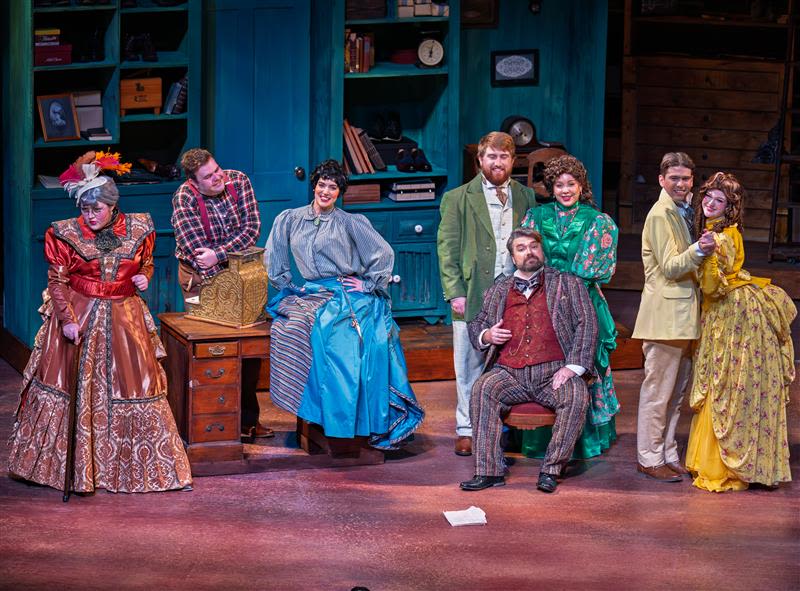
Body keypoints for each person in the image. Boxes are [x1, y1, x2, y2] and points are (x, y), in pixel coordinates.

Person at [8, 151, 192, 494]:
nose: (90, 216)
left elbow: (146, 262)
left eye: (97, 209)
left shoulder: (140, 228)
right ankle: (70, 470)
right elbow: (57, 281)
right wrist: (66, 320)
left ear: (112, 206)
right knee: (74, 385)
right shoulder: (64, 234)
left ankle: (132, 470)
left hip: (125, 316)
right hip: (81, 313)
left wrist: (145, 276)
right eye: (84, 209)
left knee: (136, 383)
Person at [264, 159, 424, 449]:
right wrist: (288, 286)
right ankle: (319, 412)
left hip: (346, 292)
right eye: (322, 185)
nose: (326, 191)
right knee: (292, 328)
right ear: (314, 185)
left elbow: (383, 253)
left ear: (339, 192)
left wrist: (368, 284)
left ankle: (353, 420)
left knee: (342, 338)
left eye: (333, 187)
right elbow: (274, 255)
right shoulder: (290, 218)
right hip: (313, 291)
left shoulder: (349, 222)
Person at [459, 228, 597, 493]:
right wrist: (487, 335)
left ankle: (551, 470)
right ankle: (488, 471)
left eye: (534, 246)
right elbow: (477, 323)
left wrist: (572, 368)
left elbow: (587, 324)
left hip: (553, 372)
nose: (529, 252)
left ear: (542, 251)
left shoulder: (567, 283)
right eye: (521, 248)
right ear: (513, 257)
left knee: (576, 395)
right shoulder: (500, 288)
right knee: (482, 389)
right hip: (510, 372)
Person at [685, 172, 796, 491]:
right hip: (737, 308)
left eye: (719, 200)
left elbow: (713, 287)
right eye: (708, 196)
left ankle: (727, 463)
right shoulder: (719, 231)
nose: (710, 203)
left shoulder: (719, 238)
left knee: (728, 383)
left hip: (732, 314)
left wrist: (705, 255)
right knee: (737, 384)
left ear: (729, 207)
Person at [437, 131, 536, 456]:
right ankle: (466, 429)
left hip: (515, 293)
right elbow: (447, 249)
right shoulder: (458, 198)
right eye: (491, 156)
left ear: (513, 160)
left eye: (503, 157)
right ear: (480, 160)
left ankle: (507, 426)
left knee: (512, 362)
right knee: (469, 363)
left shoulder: (525, 196)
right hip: (473, 291)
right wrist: (455, 292)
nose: (497, 162)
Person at [519, 154, 620, 460]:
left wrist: (564, 288)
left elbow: (594, 269)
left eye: (571, 184)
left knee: (582, 365)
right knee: (546, 364)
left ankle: (583, 442)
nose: (565, 190)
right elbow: (526, 260)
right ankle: (542, 439)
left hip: (583, 303)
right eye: (559, 185)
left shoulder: (597, 221)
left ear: (581, 186)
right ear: (551, 188)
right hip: (544, 302)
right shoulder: (536, 217)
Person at [170, 148, 268, 440]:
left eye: (217, 170)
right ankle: (207, 424)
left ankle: (247, 420)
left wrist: (221, 254)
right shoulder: (184, 198)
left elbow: (251, 230)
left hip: (240, 270)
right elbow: (199, 254)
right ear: (194, 182)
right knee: (212, 344)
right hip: (200, 277)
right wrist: (223, 288)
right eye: (208, 177)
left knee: (248, 345)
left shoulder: (238, 181)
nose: (217, 178)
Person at [632, 152, 716, 482]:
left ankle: (667, 452)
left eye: (686, 178)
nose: (681, 184)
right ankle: (649, 457)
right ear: (661, 180)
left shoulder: (683, 210)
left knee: (676, 395)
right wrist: (699, 250)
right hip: (664, 317)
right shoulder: (660, 214)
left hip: (683, 317)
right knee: (658, 393)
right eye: (674, 178)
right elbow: (669, 266)